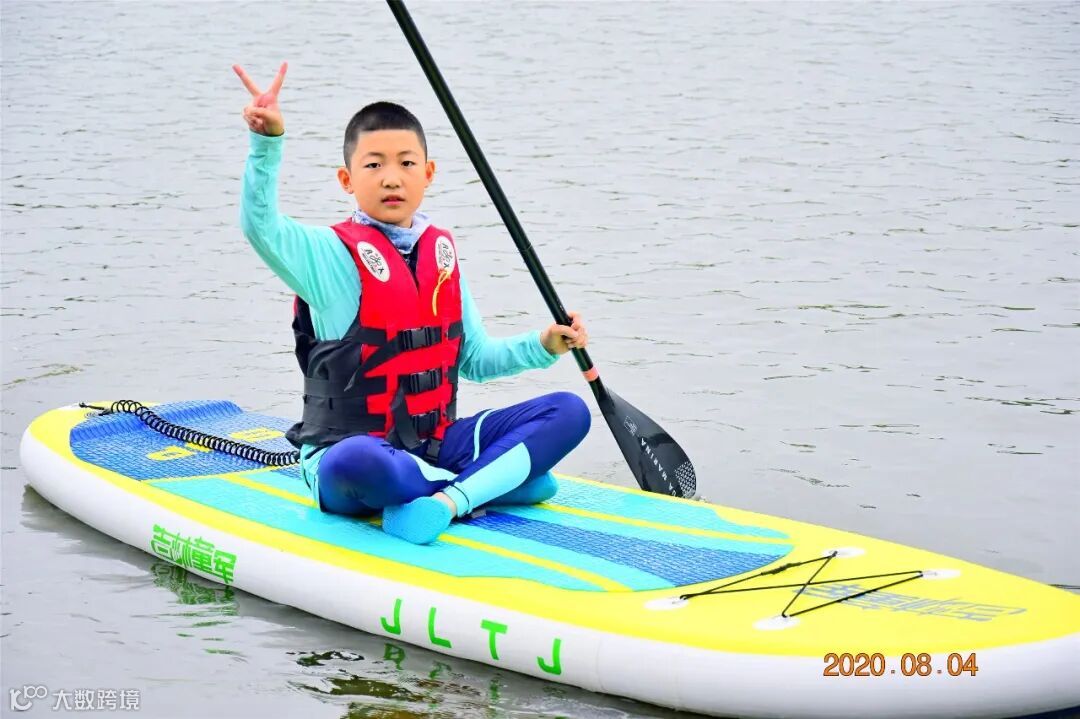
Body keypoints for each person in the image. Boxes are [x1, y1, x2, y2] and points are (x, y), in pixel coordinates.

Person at [234, 62, 592, 545]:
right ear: (346, 179)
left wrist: (545, 344)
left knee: (569, 411)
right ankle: (494, 482)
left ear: (428, 174)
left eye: (406, 164)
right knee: (360, 460)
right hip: (354, 458)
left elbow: (476, 359)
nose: (391, 179)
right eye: (373, 165)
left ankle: (449, 500)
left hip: (437, 445)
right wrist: (267, 143)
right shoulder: (324, 254)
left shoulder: (439, 257)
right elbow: (260, 227)